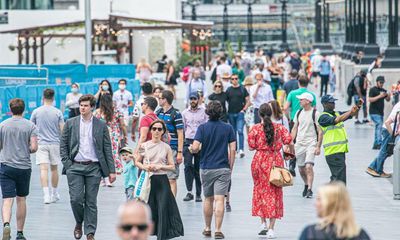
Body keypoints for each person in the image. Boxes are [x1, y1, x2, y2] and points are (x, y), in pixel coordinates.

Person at [60, 94, 116, 240]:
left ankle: (90, 232)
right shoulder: (71, 123)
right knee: (76, 199)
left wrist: (111, 170)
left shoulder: (101, 124)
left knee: (91, 201)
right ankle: (79, 222)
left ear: (92, 107)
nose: (82, 108)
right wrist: (68, 164)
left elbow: (107, 148)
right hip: (75, 167)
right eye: (81, 105)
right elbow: (63, 145)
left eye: (85, 106)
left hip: (94, 167)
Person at [190, 101, 236, 239]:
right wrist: (230, 166)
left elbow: (196, 147)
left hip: (206, 168)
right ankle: (218, 230)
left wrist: (191, 148)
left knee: (208, 199)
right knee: (220, 199)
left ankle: (207, 227)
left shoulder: (202, 128)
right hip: (223, 167)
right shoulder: (228, 128)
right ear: (221, 112)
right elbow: (232, 149)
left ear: (207, 112)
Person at [248, 103, 293, 239]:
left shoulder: (254, 129)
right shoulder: (280, 128)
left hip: (259, 161)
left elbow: (251, 147)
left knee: (260, 190)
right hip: (275, 161)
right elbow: (288, 140)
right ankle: (271, 229)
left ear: (259, 115)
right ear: (272, 114)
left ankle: (263, 223)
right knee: (274, 192)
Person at [135, 120, 184, 240]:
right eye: (154, 128)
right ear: (151, 130)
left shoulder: (166, 147)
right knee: (148, 209)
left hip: (162, 180)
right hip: (149, 180)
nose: (156, 131)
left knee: (163, 208)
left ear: (163, 132)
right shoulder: (144, 146)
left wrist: (160, 166)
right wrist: (144, 167)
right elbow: (137, 161)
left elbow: (172, 166)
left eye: (159, 129)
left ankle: (161, 236)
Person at [0, 98, 38, 240]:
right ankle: (20, 233)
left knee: (7, 200)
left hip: (6, 166)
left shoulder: (2, 125)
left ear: (10, 109)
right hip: (23, 167)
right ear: (24, 109)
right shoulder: (30, 126)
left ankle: (6, 224)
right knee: (21, 199)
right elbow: (34, 147)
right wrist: (24, 148)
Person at [299, 182, 371, 240]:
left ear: (330, 203)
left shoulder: (311, 233)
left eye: (319, 199)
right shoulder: (361, 235)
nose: (315, 204)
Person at [30, 89, 64, 204]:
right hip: (55, 143)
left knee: (43, 169)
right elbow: (62, 130)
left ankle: (46, 196)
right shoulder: (58, 112)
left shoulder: (36, 112)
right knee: (54, 169)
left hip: (41, 144)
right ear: (53, 98)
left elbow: (31, 128)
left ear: (42, 97)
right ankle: (54, 193)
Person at [318, 95, 360, 184]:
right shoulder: (323, 117)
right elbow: (337, 120)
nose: (334, 104)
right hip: (333, 152)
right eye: (331, 102)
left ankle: (328, 195)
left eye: (334, 102)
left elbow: (350, 114)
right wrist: (350, 112)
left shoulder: (336, 113)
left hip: (339, 152)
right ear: (324, 104)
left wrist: (357, 107)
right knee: (339, 180)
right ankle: (334, 196)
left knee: (337, 178)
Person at [290, 93, 323, 198]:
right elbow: (294, 128)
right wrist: (290, 142)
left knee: (308, 166)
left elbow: (320, 131)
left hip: (311, 143)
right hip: (299, 143)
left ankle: (310, 189)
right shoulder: (299, 113)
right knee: (300, 169)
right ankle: (306, 184)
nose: (299, 101)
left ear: (308, 101)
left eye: (301, 99)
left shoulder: (316, 114)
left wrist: (318, 146)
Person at [284, 75, 316, 176]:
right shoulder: (311, 95)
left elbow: (285, 107)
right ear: (307, 83)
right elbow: (314, 109)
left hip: (295, 120)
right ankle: (306, 160)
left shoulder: (292, 93)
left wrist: (288, 117)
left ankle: (292, 165)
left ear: (298, 82)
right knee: (305, 141)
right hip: (307, 121)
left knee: (293, 142)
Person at [156, 90, 184, 197]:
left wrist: (180, 152)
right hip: (159, 148)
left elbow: (180, 134)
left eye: (160, 98)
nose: (158, 99)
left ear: (165, 100)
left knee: (171, 178)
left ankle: (172, 203)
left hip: (172, 148)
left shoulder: (176, 114)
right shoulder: (158, 112)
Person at [182, 93, 208, 202]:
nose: (193, 101)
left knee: (198, 168)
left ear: (198, 100)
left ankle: (198, 193)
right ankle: (189, 192)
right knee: (187, 165)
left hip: (200, 141)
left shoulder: (204, 112)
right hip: (188, 140)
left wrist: (203, 142)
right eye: (191, 99)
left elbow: (206, 127)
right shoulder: (184, 113)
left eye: (195, 99)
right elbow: (183, 128)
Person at [94, 93, 127, 176]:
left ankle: (104, 173)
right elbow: (122, 125)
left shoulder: (97, 112)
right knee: (114, 153)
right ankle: (114, 171)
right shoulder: (117, 111)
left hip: (101, 135)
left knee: (103, 153)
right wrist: (125, 135)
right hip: (114, 135)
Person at [366, 101, 400, 178]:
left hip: (389, 130)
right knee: (384, 151)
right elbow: (387, 122)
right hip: (389, 130)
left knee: (387, 151)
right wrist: (392, 135)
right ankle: (379, 171)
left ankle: (372, 167)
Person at [226, 73, 250, 158]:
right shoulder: (228, 90)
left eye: (236, 78)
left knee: (240, 130)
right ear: (231, 80)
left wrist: (244, 109)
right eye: (232, 79)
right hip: (231, 113)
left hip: (240, 113)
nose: (234, 80)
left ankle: (241, 149)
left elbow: (248, 100)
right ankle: (234, 149)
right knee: (233, 132)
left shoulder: (243, 89)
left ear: (238, 79)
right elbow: (226, 101)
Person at [369, 76, 391, 149]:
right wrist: (380, 96)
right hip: (373, 112)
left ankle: (375, 143)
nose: (381, 84)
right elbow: (370, 99)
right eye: (380, 82)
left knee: (378, 127)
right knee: (379, 125)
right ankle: (379, 142)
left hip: (380, 112)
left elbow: (388, 100)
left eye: (382, 83)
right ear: (377, 82)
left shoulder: (383, 90)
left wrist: (388, 95)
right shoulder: (373, 90)